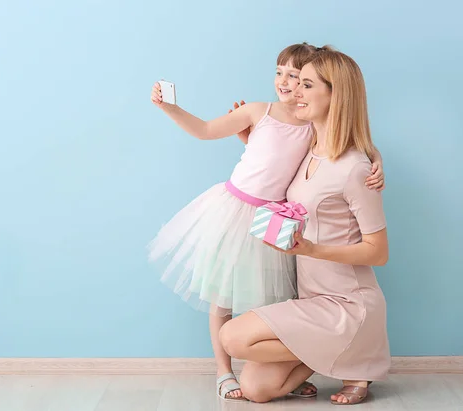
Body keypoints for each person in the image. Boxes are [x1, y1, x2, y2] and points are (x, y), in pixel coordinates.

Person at [148, 43, 385, 401]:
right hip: (240, 214)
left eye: (301, 80)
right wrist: (171, 108)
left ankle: (337, 355)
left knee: (272, 295)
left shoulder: (317, 135)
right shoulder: (271, 118)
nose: (289, 85)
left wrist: (375, 157)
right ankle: (225, 371)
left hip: (290, 238)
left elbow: (348, 138)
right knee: (228, 309)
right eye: (283, 74)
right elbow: (211, 131)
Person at [219, 46, 391, 406]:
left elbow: (378, 252)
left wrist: (310, 249)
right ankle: (343, 355)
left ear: (335, 94)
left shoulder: (357, 169)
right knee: (256, 389)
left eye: (307, 85)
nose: (294, 91)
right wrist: (252, 140)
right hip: (312, 299)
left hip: (347, 303)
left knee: (233, 338)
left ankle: (357, 354)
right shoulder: (309, 148)